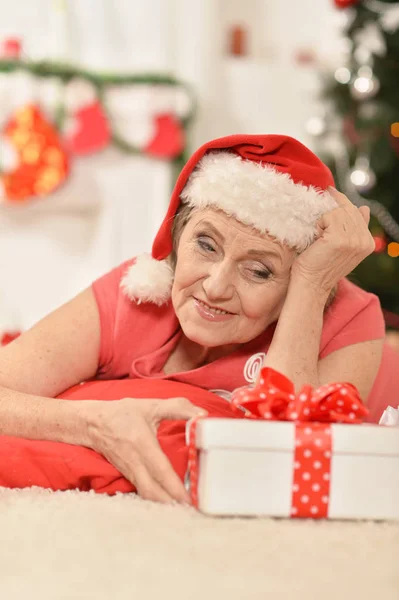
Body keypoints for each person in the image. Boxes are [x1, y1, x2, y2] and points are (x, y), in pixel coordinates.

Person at [0, 134, 397, 505]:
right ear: (177, 234)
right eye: (205, 245)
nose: (216, 286)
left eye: (258, 270)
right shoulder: (137, 294)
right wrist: (93, 422)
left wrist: (310, 285)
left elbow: (284, 469)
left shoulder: (347, 315)